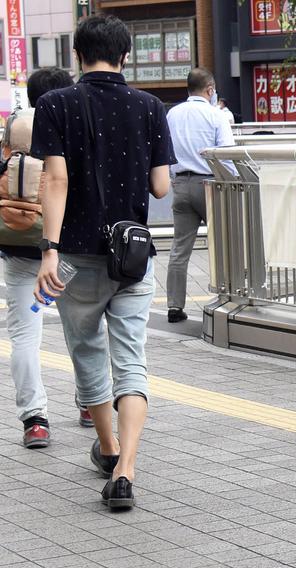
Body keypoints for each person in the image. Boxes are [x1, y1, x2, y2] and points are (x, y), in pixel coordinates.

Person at [30, 15, 175, 510]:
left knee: (88, 354)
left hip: (75, 255)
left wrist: (48, 249)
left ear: (77, 55)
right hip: (133, 256)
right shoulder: (152, 106)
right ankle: (127, 472)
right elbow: (160, 187)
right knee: (131, 361)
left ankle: (109, 449)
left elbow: (55, 181)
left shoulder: (55, 104)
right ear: (125, 56)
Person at [0, 67, 92, 450]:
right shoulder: (73, 124)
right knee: (85, 329)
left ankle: (35, 420)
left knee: (24, 335)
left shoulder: (14, 128)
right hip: (68, 248)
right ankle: (90, 402)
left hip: (19, 245)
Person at [166, 69, 236, 323]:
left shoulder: (172, 114)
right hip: (210, 184)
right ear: (210, 90)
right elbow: (226, 156)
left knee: (179, 248)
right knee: (223, 244)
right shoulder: (215, 115)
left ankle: (174, 305)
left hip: (181, 184)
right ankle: (225, 298)